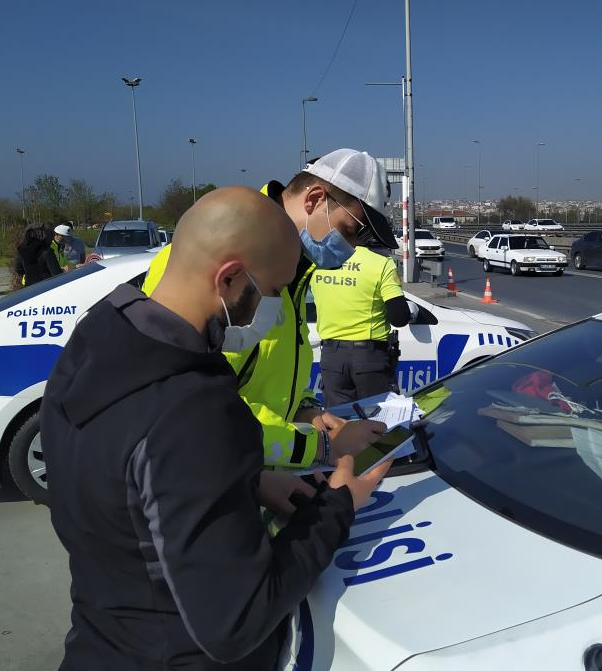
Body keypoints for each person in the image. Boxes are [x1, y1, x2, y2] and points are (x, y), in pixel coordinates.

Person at [41, 186, 391, 671]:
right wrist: (335, 507)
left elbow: (130, 492)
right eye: (272, 292)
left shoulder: (99, 339)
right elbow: (236, 621)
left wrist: (244, 481)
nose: (270, 312)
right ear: (229, 279)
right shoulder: (192, 408)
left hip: (103, 640)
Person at [142, 149, 398, 469]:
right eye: (350, 230)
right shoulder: (218, 257)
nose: (353, 247)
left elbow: (267, 377)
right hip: (207, 478)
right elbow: (197, 409)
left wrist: (306, 411)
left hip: (254, 471)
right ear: (314, 199)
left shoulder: (292, 271)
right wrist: (320, 446)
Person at [312, 234, 418, 406]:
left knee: (340, 424)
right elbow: (399, 318)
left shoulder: (320, 261)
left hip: (332, 357)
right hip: (369, 358)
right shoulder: (381, 263)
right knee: (378, 422)